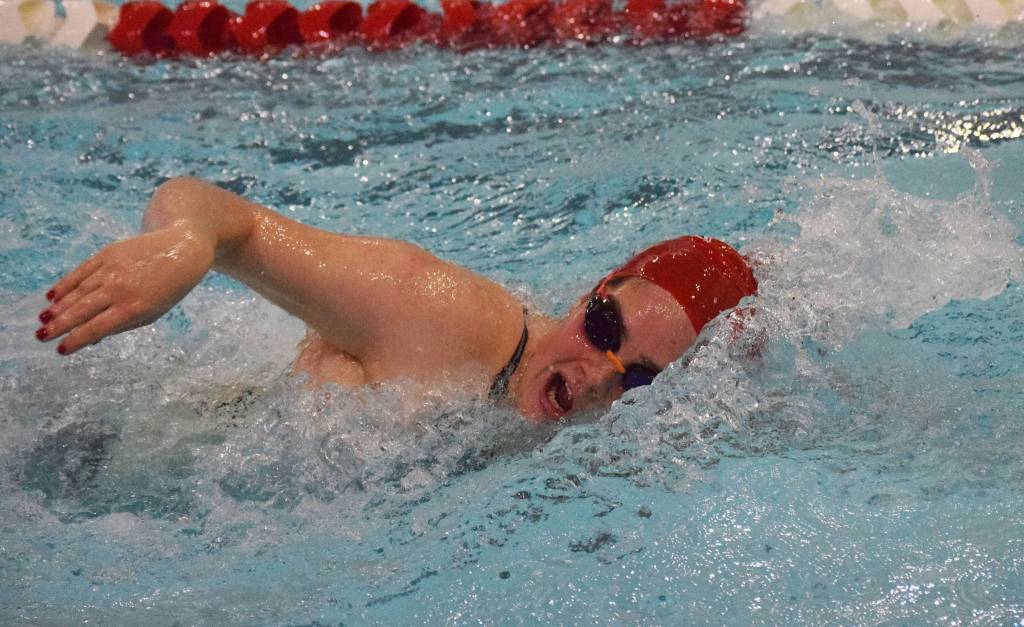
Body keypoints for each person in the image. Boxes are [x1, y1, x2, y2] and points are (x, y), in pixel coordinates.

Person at [34, 177, 758, 420]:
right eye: (604, 324)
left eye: (638, 378)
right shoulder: (433, 312)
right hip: (109, 439)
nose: (599, 371)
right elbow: (221, 214)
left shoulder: (596, 437)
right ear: (588, 294)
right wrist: (184, 248)